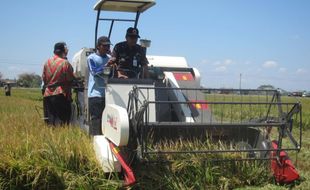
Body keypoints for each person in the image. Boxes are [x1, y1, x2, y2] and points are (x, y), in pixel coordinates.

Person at [42, 42, 74, 126]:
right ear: (64, 50)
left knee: (50, 121)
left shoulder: (47, 62)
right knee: (62, 121)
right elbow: (70, 78)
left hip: (48, 94)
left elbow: (44, 79)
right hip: (60, 94)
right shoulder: (65, 63)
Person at [87, 36, 112, 136]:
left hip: (108, 94)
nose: (107, 48)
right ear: (98, 46)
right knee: (96, 119)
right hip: (95, 94)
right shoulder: (91, 58)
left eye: (108, 46)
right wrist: (107, 66)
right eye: (105, 46)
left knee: (108, 119)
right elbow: (94, 71)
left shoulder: (110, 58)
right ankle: (95, 140)